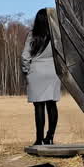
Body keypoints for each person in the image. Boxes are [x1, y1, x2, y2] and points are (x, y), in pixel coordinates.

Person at [21, 8, 61, 145]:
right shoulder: (56, 35)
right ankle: (50, 137)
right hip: (53, 72)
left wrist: (26, 71)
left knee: (39, 107)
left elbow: (25, 56)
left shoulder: (32, 35)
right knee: (52, 105)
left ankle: (39, 140)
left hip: (36, 72)